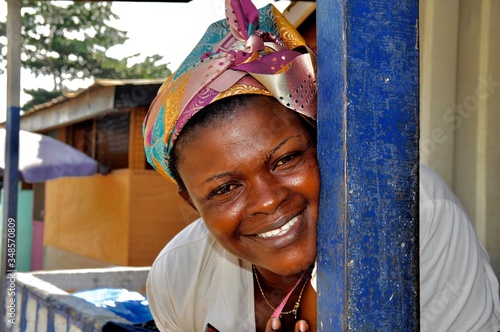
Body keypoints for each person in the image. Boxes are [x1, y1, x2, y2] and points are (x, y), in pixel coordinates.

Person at [143, 0, 500, 331]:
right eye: (224, 189)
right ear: (191, 201)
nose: (267, 201)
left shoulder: (410, 214)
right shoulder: (178, 276)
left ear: (320, 143)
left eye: (285, 160)